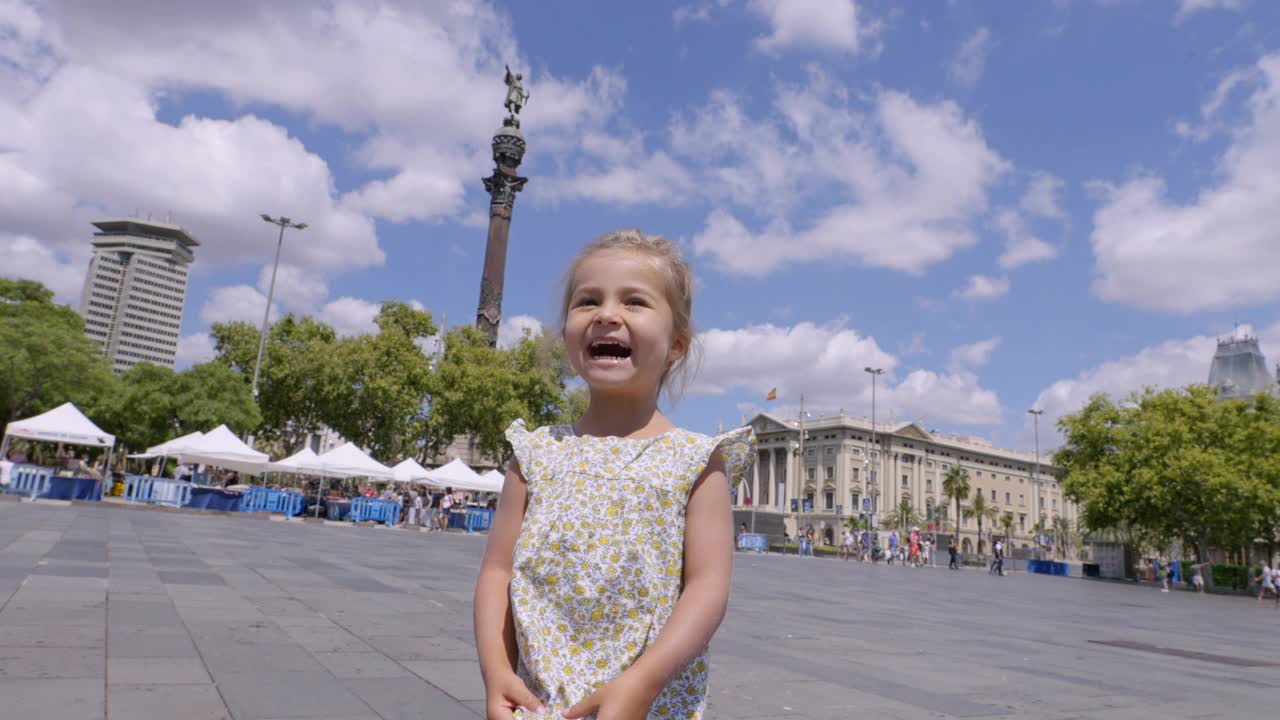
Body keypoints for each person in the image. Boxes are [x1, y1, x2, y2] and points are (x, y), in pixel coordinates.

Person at [473, 229, 756, 720]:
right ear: (566, 333)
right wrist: (497, 672)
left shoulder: (696, 460)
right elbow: (497, 572)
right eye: (587, 301)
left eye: (635, 302)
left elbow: (708, 586)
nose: (606, 314)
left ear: (676, 346)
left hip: (646, 703)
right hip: (539, 704)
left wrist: (643, 682)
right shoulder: (536, 453)